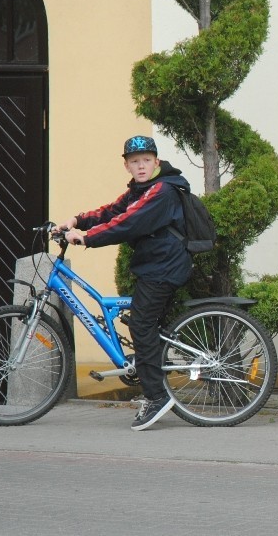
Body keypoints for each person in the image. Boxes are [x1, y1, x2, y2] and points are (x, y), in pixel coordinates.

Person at [56, 135, 193, 431]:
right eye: (135, 162)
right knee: (143, 323)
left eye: (146, 160)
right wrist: (77, 222)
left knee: (141, 324)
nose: (141, 166)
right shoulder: (140, 189)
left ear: (156, 162)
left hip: (164, 267)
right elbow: (112, 212)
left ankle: (157, 397)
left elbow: (128, 223)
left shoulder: (162, 191)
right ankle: (149, 373)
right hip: (154, 265)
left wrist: (87, 238)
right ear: (127, 166)